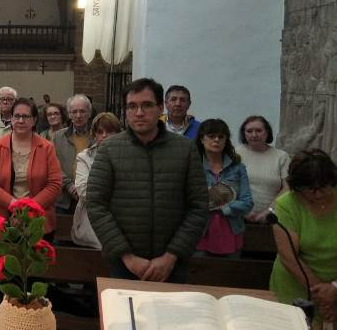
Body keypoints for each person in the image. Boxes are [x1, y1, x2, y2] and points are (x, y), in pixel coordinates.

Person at [86, 78, 208, 283]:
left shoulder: (185, 149)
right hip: (124, 263)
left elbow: (198, 206)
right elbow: (96, 204)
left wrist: (171, 256)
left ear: (161, 108)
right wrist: (127, 256)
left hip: (172, 265)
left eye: (147, 105)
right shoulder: (109, 149)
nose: (139, 113)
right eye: (132, 106)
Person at [269, 150, 336, 330]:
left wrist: (334, 289)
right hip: (295, 288)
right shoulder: (286, 205)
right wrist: (323, 296)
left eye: (323, 187)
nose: (317, 194)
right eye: (309, 189)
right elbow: (289, 257)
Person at [0, 97, 63, 237]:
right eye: (17, 116)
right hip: (1, 222)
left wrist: (27, 211)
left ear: (34, 120)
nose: (20, 121)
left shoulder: (46, 148)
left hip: (37, 222)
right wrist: (14, 204)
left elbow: (55, 185)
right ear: (11, 119)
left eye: (25, 116)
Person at [194, 119, 253, 258]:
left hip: (231, 231)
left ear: (226, 140)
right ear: (202, 139)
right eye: (211, 136)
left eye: (221, 137)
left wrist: (220, 206)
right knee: (197, 277)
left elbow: (247, 202)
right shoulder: (192, 166)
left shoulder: (238, 168)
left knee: (229, 276)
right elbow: (186, 200)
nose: (216, 140)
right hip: (200, 232)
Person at [71, 113, 122, 249]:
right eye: (100, 132)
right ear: (94, 135)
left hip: (121, 220)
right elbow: (84, 191)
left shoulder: (128, 156)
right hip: (92, 220)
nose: (104, 136)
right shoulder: (84, 157)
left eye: (110, 131)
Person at [236, 115, 290, 222]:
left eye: (259, 131)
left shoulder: (281, 156)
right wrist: (242, 210)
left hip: (272, 218)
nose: (254, 135)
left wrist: (269, 210)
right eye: (249, 131)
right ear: (243, 133)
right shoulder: (236, 153)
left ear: (267, 132)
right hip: (238, 218)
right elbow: (228, 185)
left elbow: (287, 188)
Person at [52, 94, 92, 213]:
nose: (78, 115)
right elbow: (53, 164)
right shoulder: (58, 137)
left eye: (82, 111)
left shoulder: (96, 136)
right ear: (69, 114)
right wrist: (69, 185)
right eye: (74, 112)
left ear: (89, 113)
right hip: (64, 199)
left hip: (90, 197)